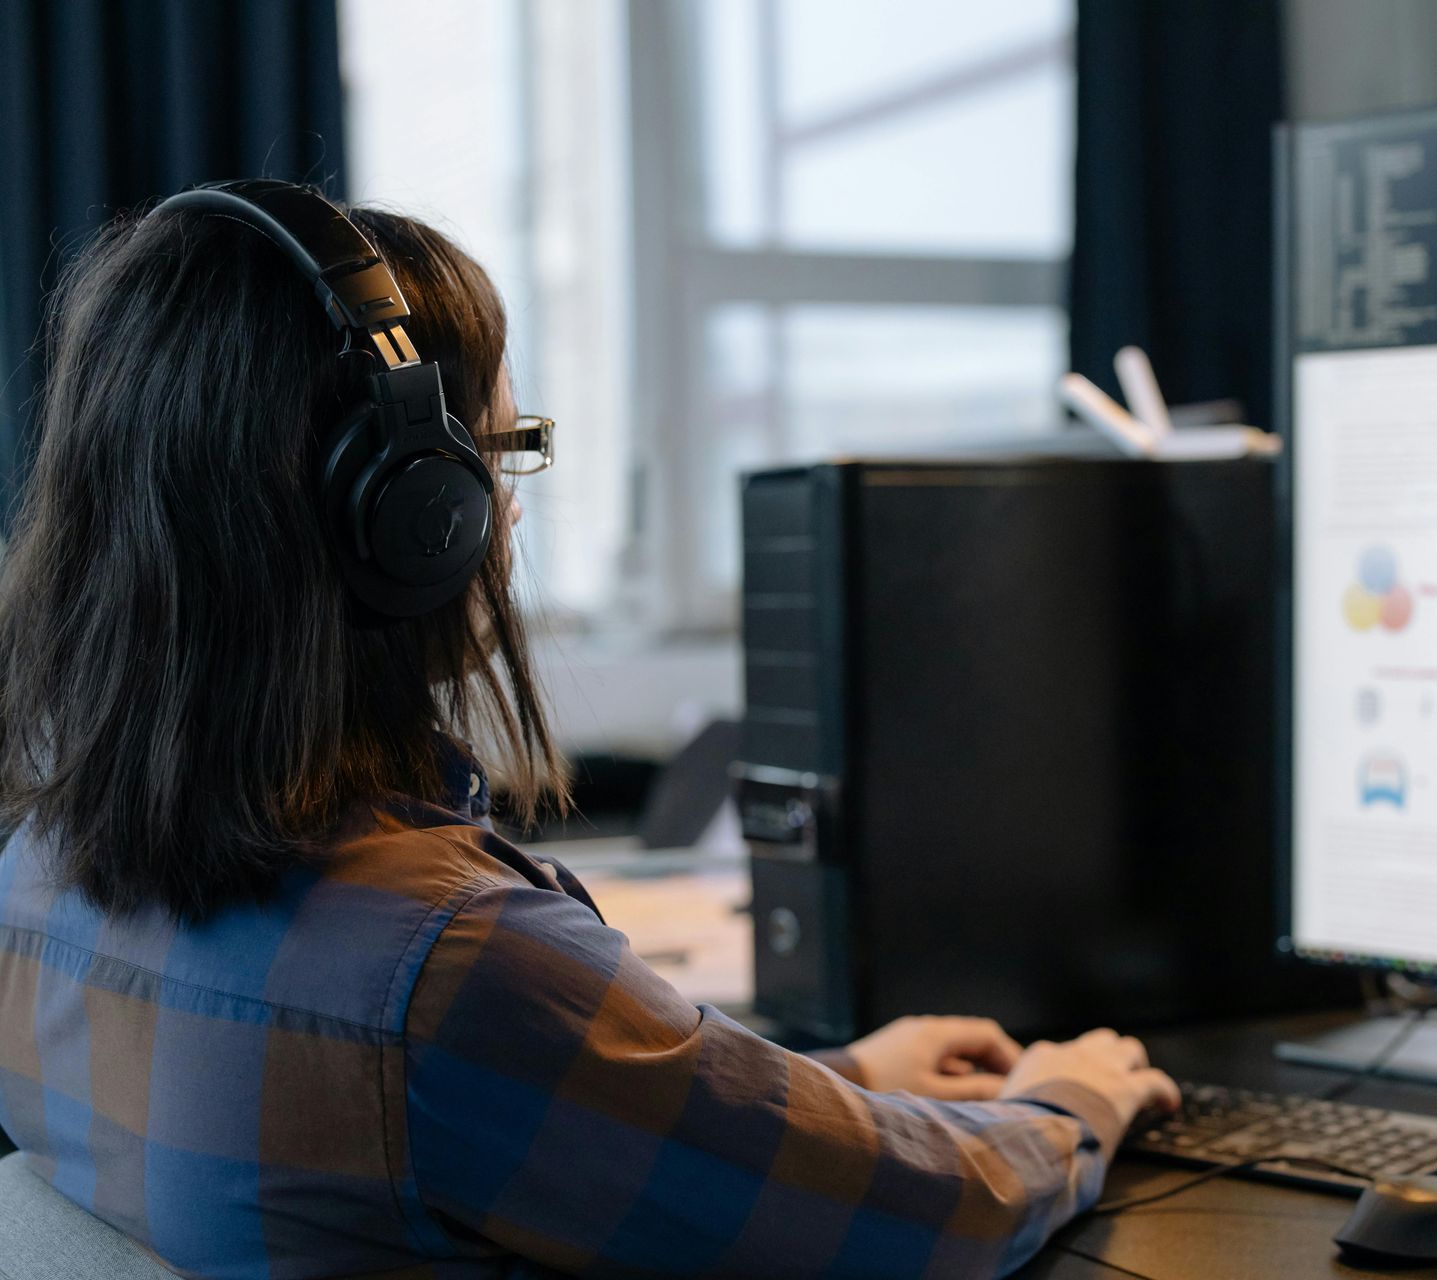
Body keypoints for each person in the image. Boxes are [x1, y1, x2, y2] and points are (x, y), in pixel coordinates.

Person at [0, 184, 1178, 1279]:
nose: (503, 512)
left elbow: (505, 1127)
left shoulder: (37, 880)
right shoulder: (443, 965)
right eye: (492, 456)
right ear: (409, 514)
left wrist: (843, 1082)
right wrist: (1067, 1101)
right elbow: (935, 1220)